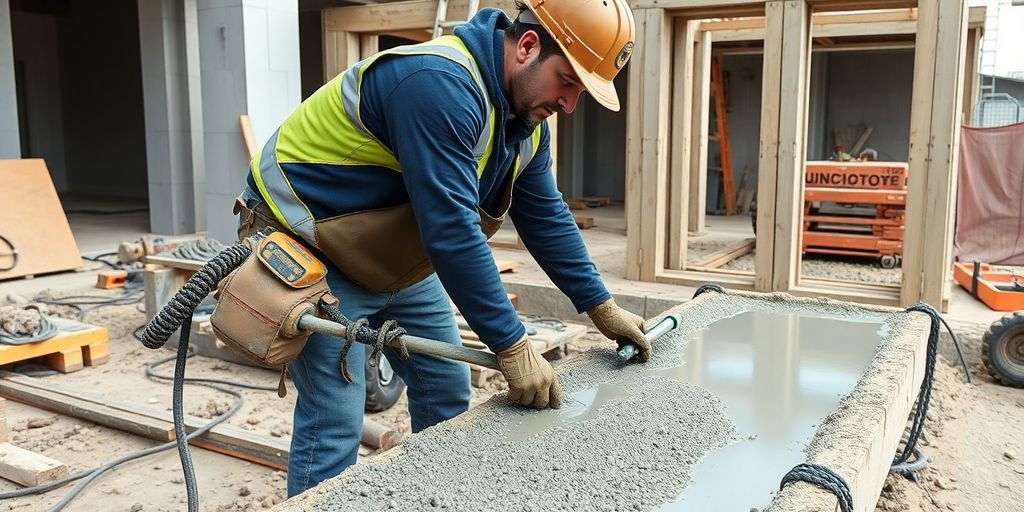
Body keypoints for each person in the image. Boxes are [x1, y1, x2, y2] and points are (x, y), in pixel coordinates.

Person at [234, 0, 648, 497]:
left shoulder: (524, 125)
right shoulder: (437, 84)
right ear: (529, 46)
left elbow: (545, 216)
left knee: (444, 389)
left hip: (388, 249)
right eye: (567, 81)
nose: (569, 104)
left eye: (580, 91)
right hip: (312, 242)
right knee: (336, 418)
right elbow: (451, 231)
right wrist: (511, 343)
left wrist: (599, 305)